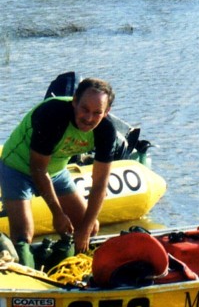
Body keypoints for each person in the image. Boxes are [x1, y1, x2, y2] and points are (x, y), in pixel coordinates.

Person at [0, 78, 116, 253]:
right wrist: (57, 214)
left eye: (97, 113)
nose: (89, 118)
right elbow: (38, 169)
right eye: (84, 109)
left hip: (56, 172)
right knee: (24, 236)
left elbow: (100, 184)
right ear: (74, 101)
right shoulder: (53, 114)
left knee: (90, 227)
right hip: (18, 166)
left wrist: (85, 229)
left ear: (106, 112)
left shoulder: (106, 131)